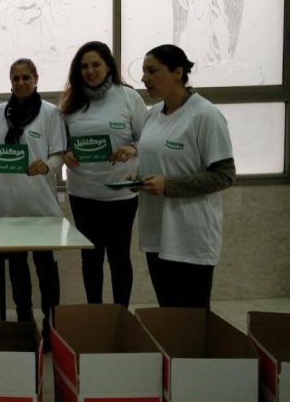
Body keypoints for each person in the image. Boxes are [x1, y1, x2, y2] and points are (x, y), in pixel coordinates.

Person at [136, 44, 235, 309]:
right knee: (168, 313)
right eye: (143, 71)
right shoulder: (152, 115)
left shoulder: (205, 115)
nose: (144, 78)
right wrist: (137, 178)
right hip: (156, 232)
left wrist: (169, 185)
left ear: (178, 73)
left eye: (152, 71)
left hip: (191, 236)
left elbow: (224, 176)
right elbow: (158, 162)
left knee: (192, 318)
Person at [0, 58, 65, 347]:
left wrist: (47, 166)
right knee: (17, 270)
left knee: (46, 269)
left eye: (26, 77)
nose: (21, 83)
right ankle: (25, 324)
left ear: (36, 79)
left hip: (42, 208)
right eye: (15, 78)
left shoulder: (50, 113)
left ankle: (51, 327)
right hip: (8, 206)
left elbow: (59, 154)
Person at [60, 41, 147, 307]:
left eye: (96, 64)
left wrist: (132, 148)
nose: (90, 71)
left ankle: (120, 314)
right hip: (82, 194)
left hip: (120, 194)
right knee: (91, 258)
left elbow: (148, 139)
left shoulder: (128, 97)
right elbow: (60, 144)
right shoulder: (71, 101)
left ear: (109, 66)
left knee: (119, 257)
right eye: (84, 66)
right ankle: (95, 314)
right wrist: (65, 154)